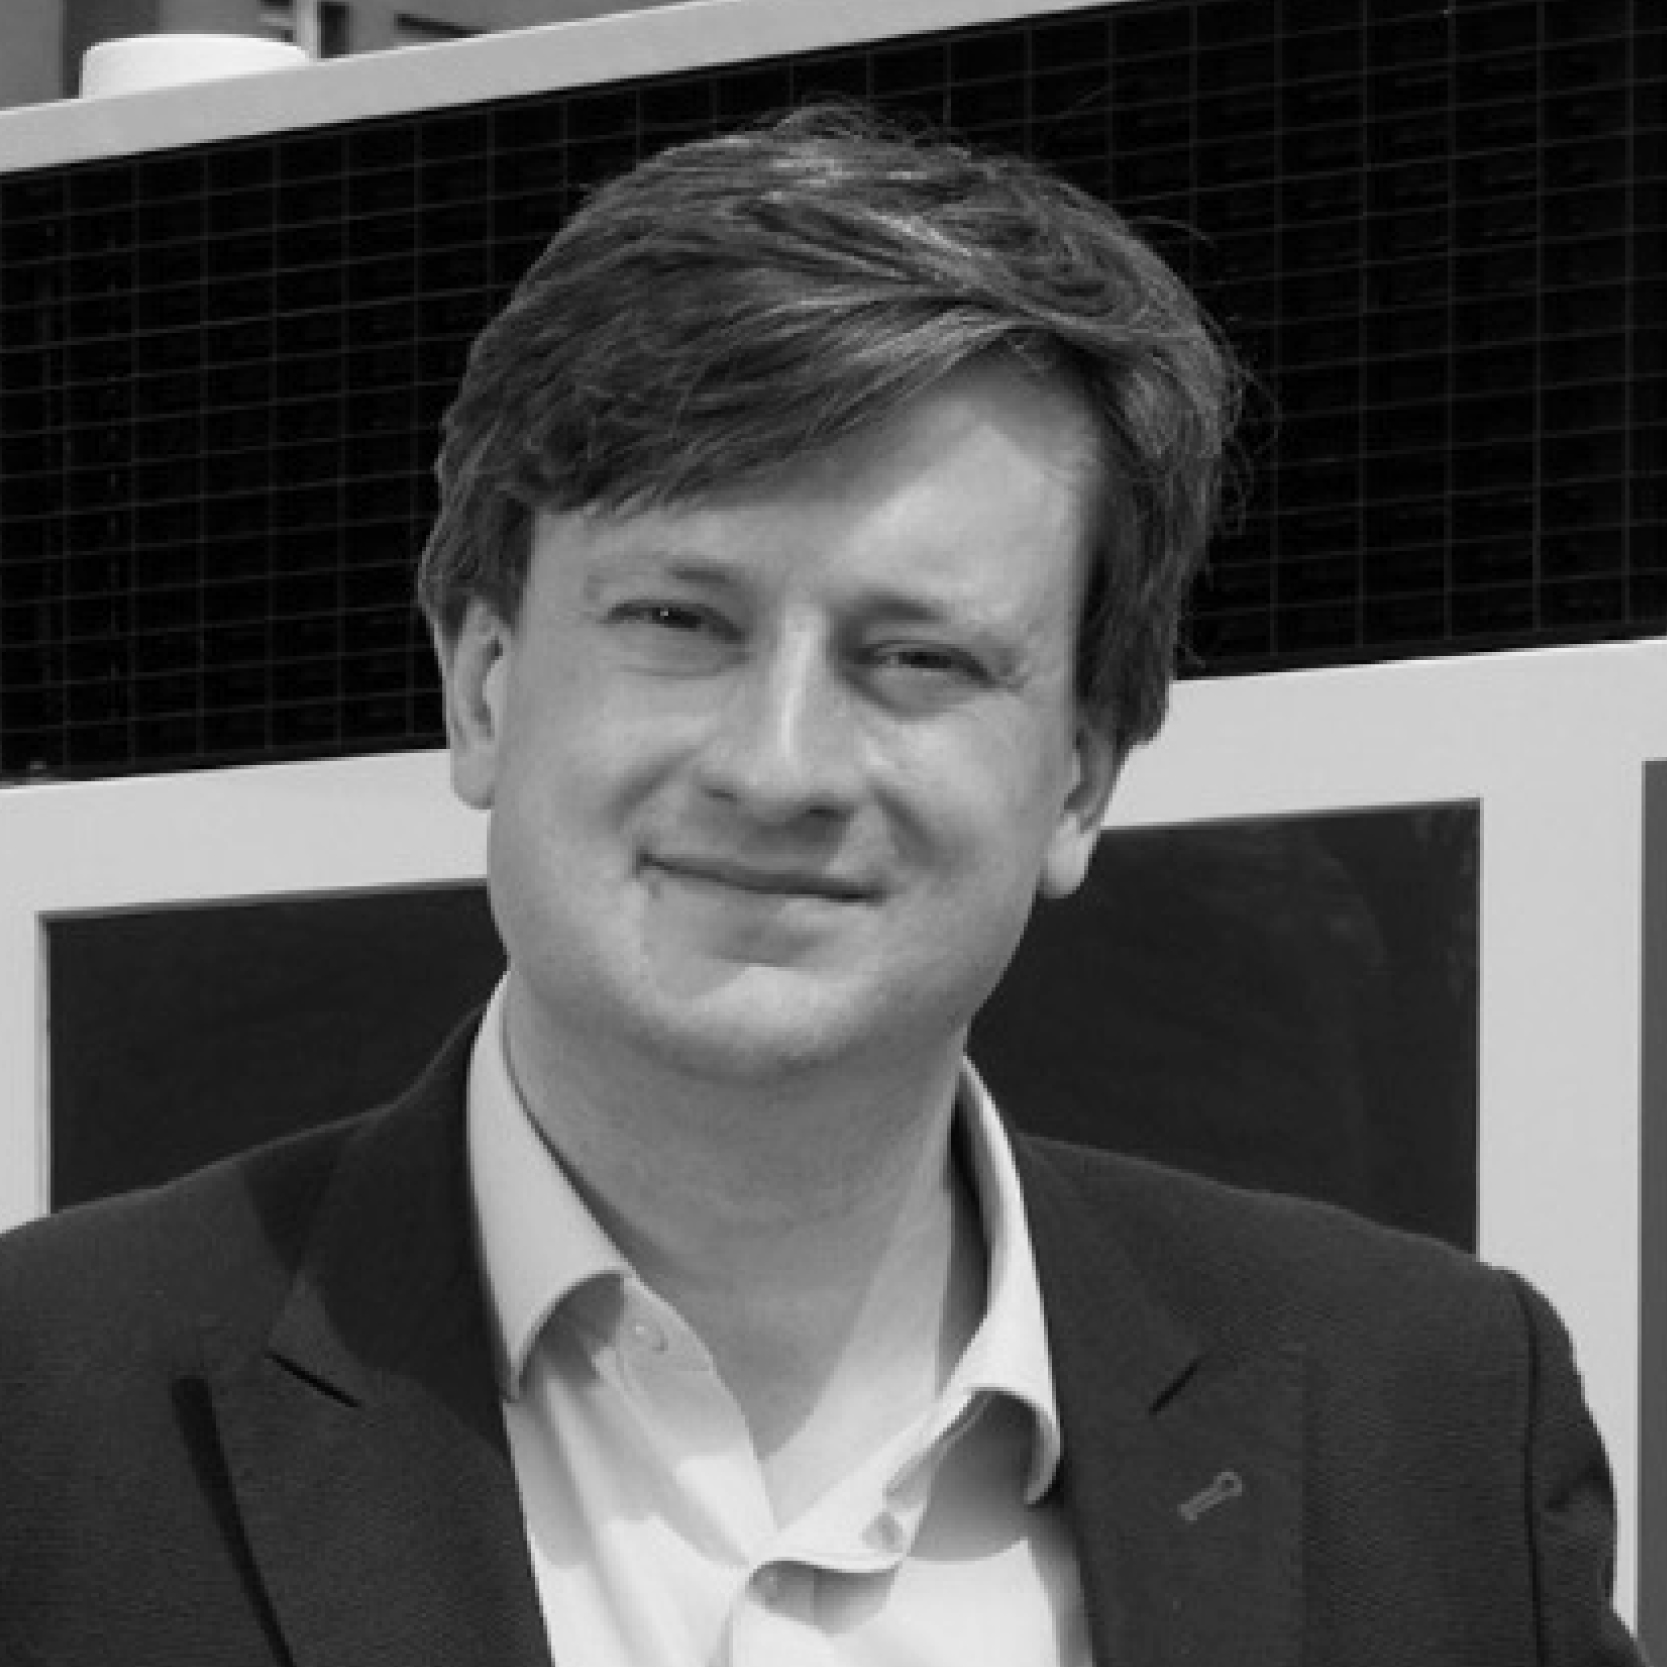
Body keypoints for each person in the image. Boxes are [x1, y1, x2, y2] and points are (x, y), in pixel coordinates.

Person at [0, 105, 1646, 1665]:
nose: (777, 766)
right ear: (485, 688)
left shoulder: (1429, 1428)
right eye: (678, 621)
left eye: (917, 656)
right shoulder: (41, 1417)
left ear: (1080, 777)